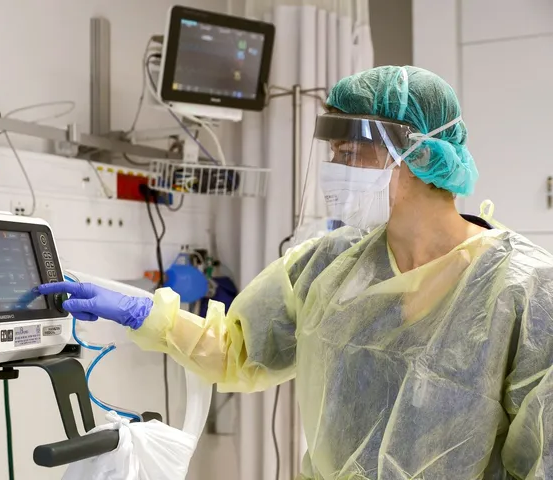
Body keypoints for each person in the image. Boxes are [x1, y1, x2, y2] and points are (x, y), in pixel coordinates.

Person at [39, 66, 553, 479]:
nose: (335, 170)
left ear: (418, 152)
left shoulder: (522, 289)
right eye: (332, 154)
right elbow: (240, 351)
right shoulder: (331, 264)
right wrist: (143, 313)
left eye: (350, 153)